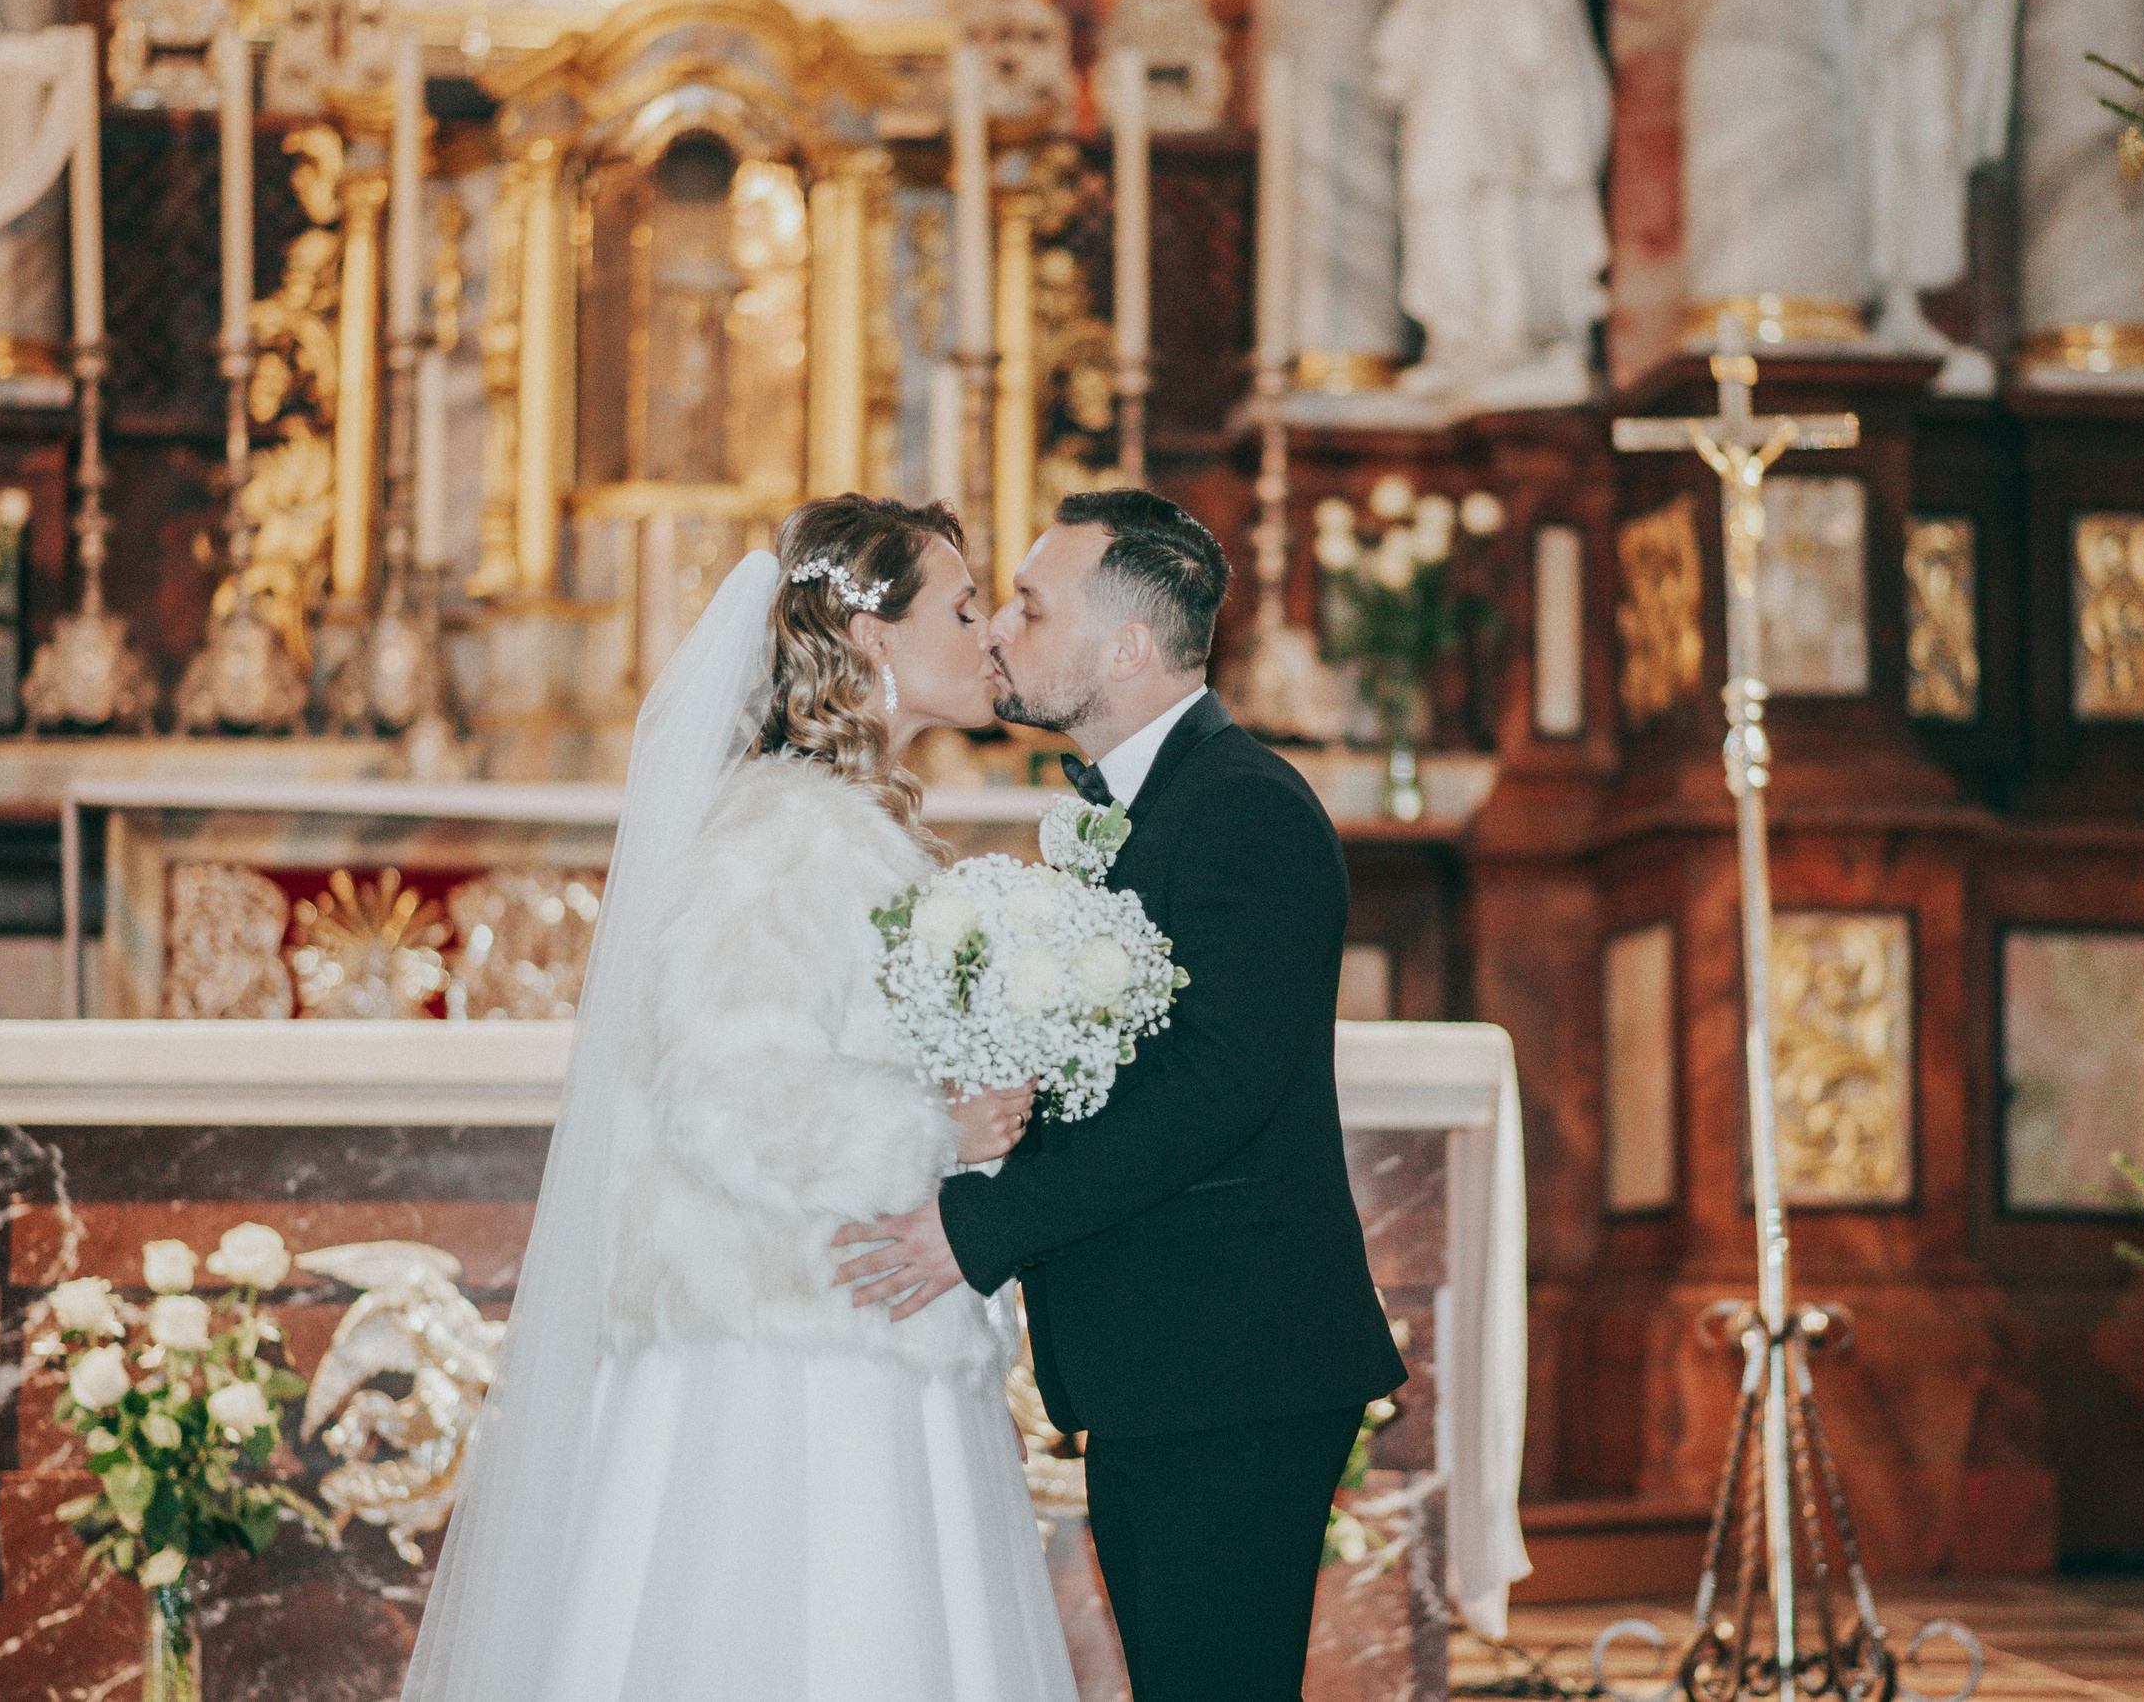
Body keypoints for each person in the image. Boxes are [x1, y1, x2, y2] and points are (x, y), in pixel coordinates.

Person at [400, 496, 1079, 1702]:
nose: (986, 635)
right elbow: (725, 1082)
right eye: (962, 606)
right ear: (870, 635)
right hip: (787, 1352)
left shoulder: (843, 826)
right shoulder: (788, 833)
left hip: (855, 1310)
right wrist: (933, 1129)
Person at [837, 490, 1407, 1702]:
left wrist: (977, 1225)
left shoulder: (1245, 807)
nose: (1000, 631)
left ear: (1127, 648)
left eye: (1032, 608)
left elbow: (1213, 1087)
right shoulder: (1143, 809)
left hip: (1233, 1363)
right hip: (1170, 1363)